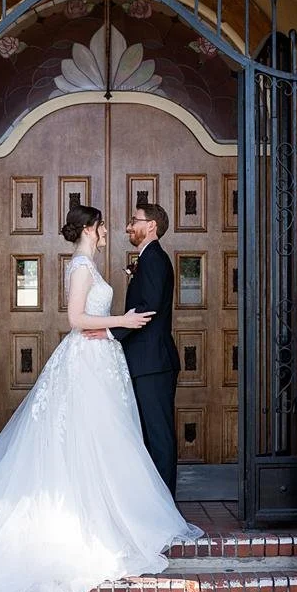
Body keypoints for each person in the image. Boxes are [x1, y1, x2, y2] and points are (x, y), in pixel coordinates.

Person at [0, 203, 201, 592]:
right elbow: (76, 319)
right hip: (86, 363)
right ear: (90, 229)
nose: (112, 229)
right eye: (105, 225)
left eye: (122, 223)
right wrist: (119, 323)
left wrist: (113, 325)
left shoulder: (90, 264)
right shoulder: (79, 267)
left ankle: (112, 515)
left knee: (104, 444)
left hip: (101, 362)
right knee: (84, 442)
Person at [111, 203, 182, 496]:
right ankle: (153, 501)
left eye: (134, 221)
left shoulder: (154, 259)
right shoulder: (149, 258)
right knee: (149, 436)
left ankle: (165, 505)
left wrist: (109, 333)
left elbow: (147, 308)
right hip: (146, 362)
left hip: (153, 363)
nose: (129, 227)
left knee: (159, 436)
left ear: (151, 225)